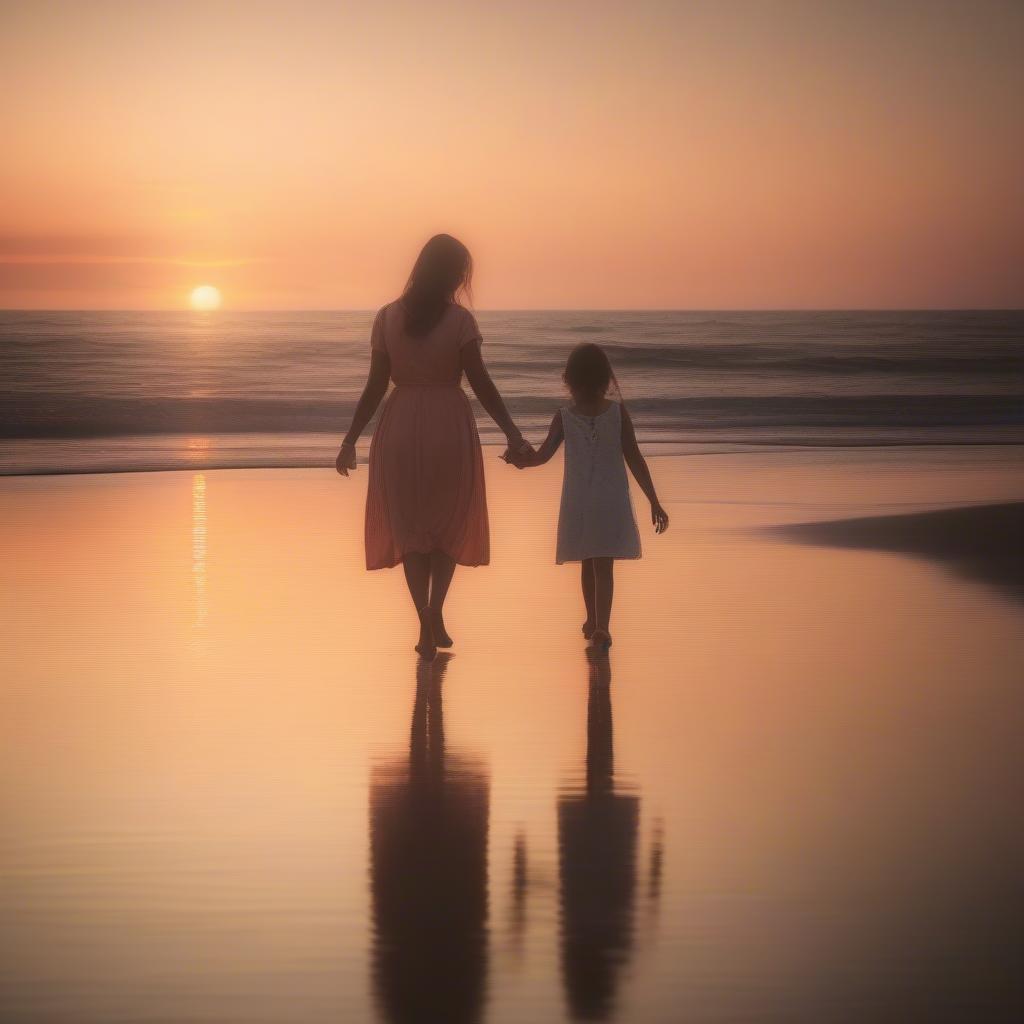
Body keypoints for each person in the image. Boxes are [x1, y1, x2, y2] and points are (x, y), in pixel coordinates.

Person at [336, 234, 531, 660]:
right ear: (453, 274)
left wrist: (350, 439)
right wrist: (513, 434)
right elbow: (481, 383)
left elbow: (374, 386)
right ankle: (435, 611)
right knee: (445, 525)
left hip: (400, 424)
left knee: (410, 530)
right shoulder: (460, 322)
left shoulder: (387, 317)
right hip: (448, 425)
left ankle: (424, 620)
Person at [506, 343, 668, 648]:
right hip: (610, 498)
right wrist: (654, 501)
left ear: (570, 378)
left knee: (587, 560)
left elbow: (541, 457)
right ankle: (600, 625)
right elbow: (634, 458)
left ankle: (595, 621)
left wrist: (519, 460)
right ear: (605, 378)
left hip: (579, 499)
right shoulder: (617, 413)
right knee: (602, 564)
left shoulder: (565, 416)